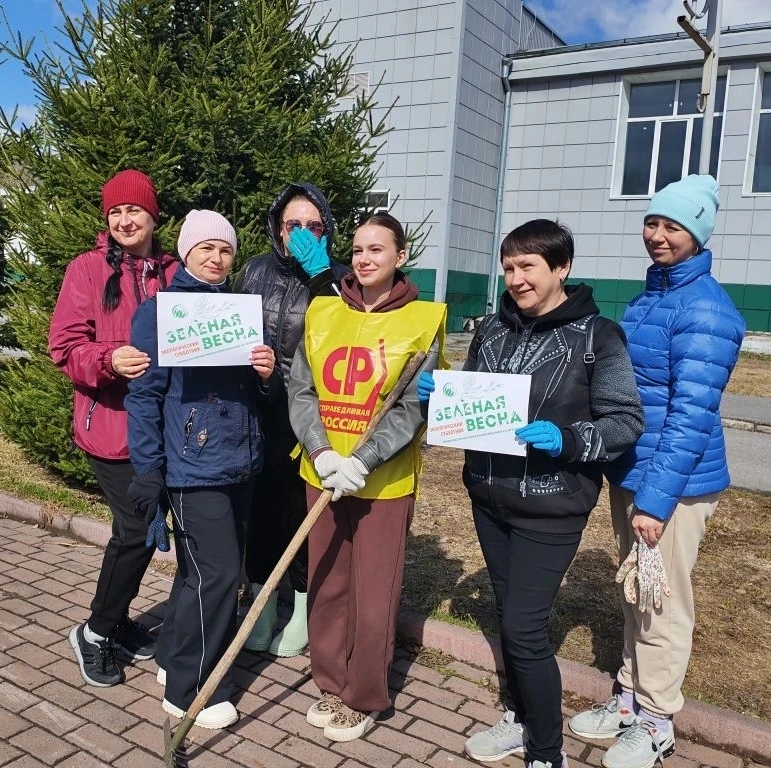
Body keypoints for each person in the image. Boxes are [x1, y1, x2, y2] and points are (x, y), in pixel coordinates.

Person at [421, 219, 643, 768]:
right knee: (509, 615)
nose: (517, 278)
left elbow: (624, 421)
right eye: (509, 267)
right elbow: (472, 406)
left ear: (561, 268)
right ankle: (519, 719)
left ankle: (547, 751)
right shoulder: (492, 330)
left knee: (523, 629)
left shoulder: (598, 336)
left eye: (529, 266)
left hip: (552, 504)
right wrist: (438, 400)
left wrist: (568, 440)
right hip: (489, 498)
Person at [569, 175, 745, 768]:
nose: (658, 235)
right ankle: (629, 698)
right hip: (636, 471)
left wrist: (656, 499)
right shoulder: (653, 296)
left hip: (672, 484)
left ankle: (657, 720)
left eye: (674, 226)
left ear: (698, 235)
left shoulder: (705, 309)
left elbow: (693, 415)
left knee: (662, 603)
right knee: (637, 594)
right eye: (653, 222)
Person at [288, 212, 446, 742]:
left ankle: (364, 696)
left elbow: (414, 406)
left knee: (374, 592)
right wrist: (321, 452)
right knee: (328, 583)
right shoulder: (323, 311)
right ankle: (331, 683)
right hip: (323, 472)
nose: (364, 259)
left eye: (377, 249)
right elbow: (301, 389)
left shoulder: (423, 320)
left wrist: (365, 459)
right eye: (357, 250)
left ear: (401, 256)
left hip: (383, 481)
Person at [125, 209, 277, 728]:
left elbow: (255, 394)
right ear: (186, 252)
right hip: (192, 466)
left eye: (225, 249)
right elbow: (144, 395)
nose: (216, 258)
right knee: (220, 574)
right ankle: (192, 691)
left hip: (241, 461)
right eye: (206, 248)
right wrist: (149, 468)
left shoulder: (240, 311)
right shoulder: (160, 313)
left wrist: (265, 375)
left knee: (197, 572)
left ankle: (173, 657)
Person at [51, 169, 178, 687]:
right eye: (116, 212)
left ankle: (118, 621)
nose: (125, 221)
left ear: (153, 216)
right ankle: (96, 632)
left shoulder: (175, 271)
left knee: (146, 531)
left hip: (165, 432)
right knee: (137, 530)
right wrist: (108, 360)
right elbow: (64, 346)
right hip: (110, 428)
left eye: (134, 210)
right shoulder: (86, 269)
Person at [238, 183, 349, 657]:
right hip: (259, 411)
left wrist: (321, 275)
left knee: (303, 515)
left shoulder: (339, 277)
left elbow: (348, 336)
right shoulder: (254, 270)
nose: (302, 233)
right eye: (293, 224)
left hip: (311, 417)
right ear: (278, 228)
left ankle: (303, 609)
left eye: (313, 226)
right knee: (262, 516)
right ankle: (261, 607)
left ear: (326, 231)